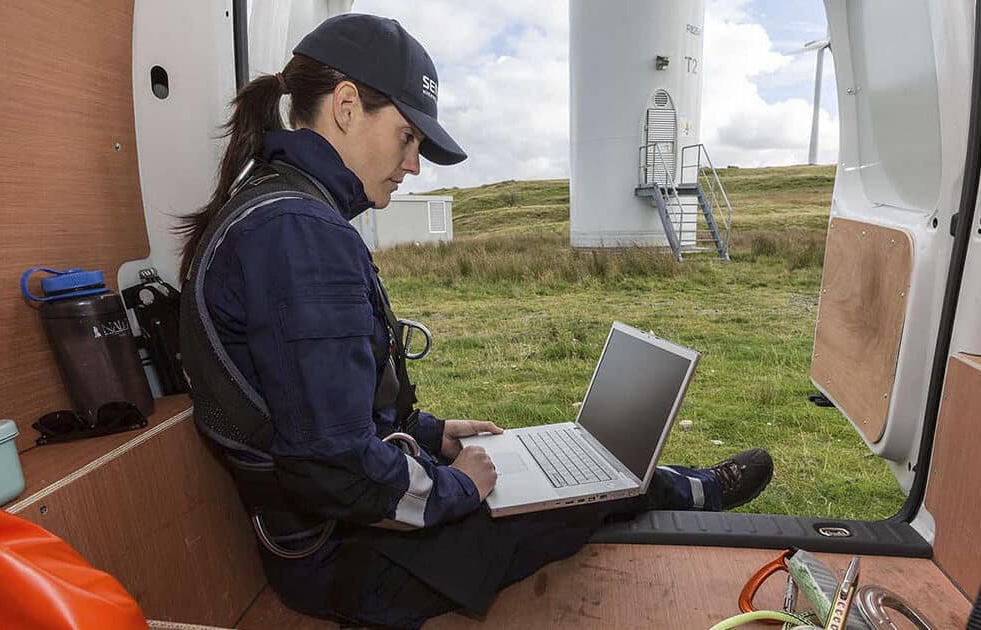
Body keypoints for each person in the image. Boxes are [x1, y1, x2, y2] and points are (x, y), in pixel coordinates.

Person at [178, 14, 774, 630]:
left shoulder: (282, 209)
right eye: (407, 137)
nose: (413, 165)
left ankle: (665, 483)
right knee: (570, 497)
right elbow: (336, 468)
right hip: (347, 559)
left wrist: (432, 436)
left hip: (329, 531)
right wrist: (456, 488)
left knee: (541, 474)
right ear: (348, 106)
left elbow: (318, 408)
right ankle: (690, 489)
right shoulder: (298, 233)